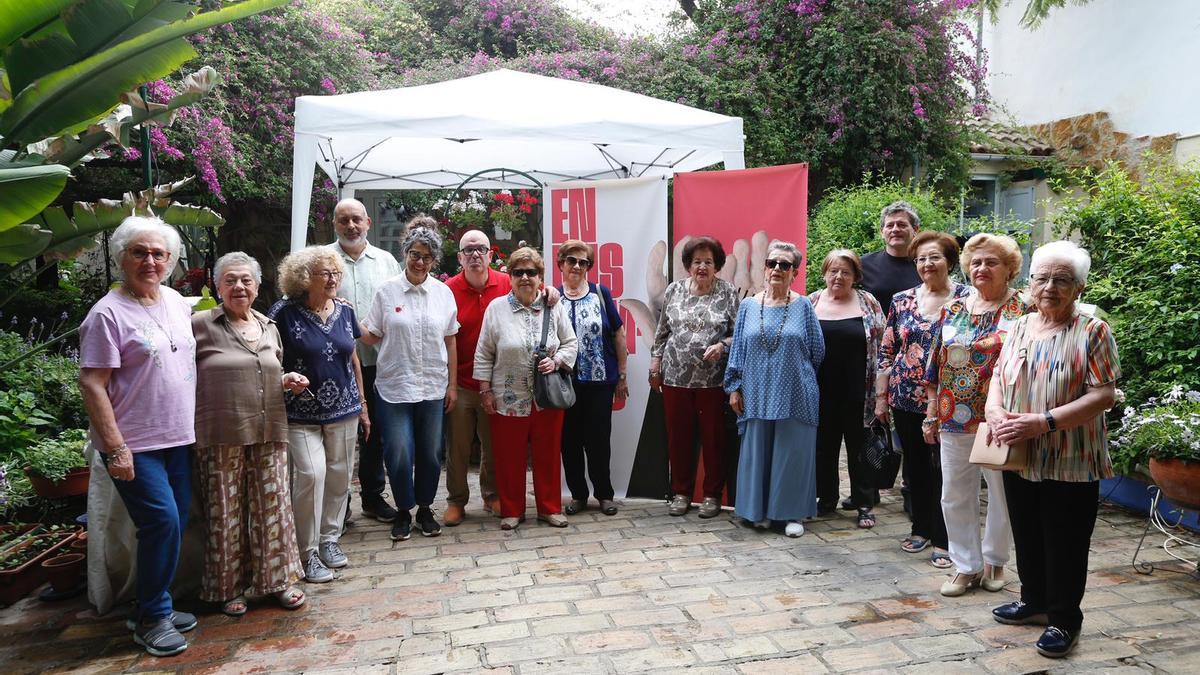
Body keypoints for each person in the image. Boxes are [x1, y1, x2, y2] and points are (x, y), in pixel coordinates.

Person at [985, 241, 1119, 659]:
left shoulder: (1093, 331)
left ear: (1078, 288)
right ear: (1029, 284)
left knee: (1065, 540)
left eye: (1061, 280)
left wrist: (1043, 421)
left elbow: (1104, 395)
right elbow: (998, 378)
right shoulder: (1020, 326)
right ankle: (1034, 601)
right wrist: (992, 411)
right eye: (1042, 278)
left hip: (1071, 455)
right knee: (1026, 531)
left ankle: (1064, 619)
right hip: (1019, 453)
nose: (1049, 287)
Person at [79, 216, 197, 657]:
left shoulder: (176, 302)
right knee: (161, 521)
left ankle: (154, 604)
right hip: (136, 443)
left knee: (174, 524)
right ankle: (151, 616)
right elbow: (92, 383)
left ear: (171, 260)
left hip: (179, 437)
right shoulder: (106, 314)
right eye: (139, 252)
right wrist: (115, 448)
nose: (150, 260)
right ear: (121, 257)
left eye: (159, 253)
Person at [191, 252, 306, 616]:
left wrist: (287, 379)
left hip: (269, 428)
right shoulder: (199, 325)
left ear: (257, 286)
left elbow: (273, 370)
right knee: (225, 511)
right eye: (230, 280)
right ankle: (229, 588)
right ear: (217, 285)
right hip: (220, 431)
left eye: (246, 280)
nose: (238, 286)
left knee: (273, 507)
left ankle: (277, 581)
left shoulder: (268, 325)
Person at [924, 233, 1029, 597]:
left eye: (991, 262)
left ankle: (996, 560)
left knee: (1001, 493)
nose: (982, 268)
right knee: (954, 492)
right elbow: (936, 361)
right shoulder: (954, 307)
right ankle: (964, 565)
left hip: (1001, 417)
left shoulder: (1024, 308)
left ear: (1009, 268)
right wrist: (931, 410)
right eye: (977, 262)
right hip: (953, 414)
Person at [269, 247, 369, 584]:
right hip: (301, 412)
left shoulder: (344, 311)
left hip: (344, 408)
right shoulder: (282, 313)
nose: (332, 279)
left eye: (335, 273)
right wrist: (284, 380)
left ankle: (329, 539)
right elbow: (271, 359)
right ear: (303, 277)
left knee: (340, 476)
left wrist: (363, 403)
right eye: (324, 273)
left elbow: (352, 359)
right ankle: (306, 551)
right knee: (312, 475)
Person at [876, 231, 969, 568]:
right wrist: (881, 398)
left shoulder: (967, 299)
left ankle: (946, 538)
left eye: (935, 257)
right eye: (921, 259)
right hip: (905, 396)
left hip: (953, 399)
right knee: (915, 467)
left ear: (950, 261)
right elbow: (886, 351)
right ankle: (921, 527)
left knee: (947, 469)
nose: (927, 264)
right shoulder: (902, 300)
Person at [361, 226, 459, 541]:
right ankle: (404, 509)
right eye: (415, 255)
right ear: (406, 253)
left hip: (432, 386)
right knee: (399, 451)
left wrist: (453, 385)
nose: (419, 262)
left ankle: (426, 508)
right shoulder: (386, 291)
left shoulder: (443, 293)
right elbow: (373, 334)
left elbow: (451, 341)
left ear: (434, 261)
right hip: (394, 388)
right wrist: (342, 316)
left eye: (427, 257)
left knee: (431, 453)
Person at [725, 241, 824, 537]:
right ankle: (759, 512)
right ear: (764, 268)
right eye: (772, 263)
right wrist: (734, 387)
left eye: (785, 265)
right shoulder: (748, 306)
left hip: (795, 391)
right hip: (755, 391)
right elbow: (738, 350)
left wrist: (795, 375)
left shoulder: (804, 305)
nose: (777, 269)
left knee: (792, 452)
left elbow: (817, 350)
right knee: (758, 452)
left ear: (794, 272)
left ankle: (791, 514)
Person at [474, 247, 578, 530]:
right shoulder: (496, 309)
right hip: (508, 397)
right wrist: (485, 391)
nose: (524, 277)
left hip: (547, 397)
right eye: (518, 272)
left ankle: (549, 508)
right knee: (509, 456)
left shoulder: (552, 305)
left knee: (548, 454)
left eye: (531, 272)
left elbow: (571, 343)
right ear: (509, 276)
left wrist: (557, 361)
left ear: (540, 276)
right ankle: (512, 510)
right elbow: (484, 353)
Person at [650, 236, 739, 518]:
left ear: (717, 266)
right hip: (675, 379)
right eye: (697, 261)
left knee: (714, 440)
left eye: (708, 262)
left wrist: (723, 346)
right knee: (679, 439)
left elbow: (739, 334)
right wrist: (655, 363)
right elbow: (662, 331)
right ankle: (681, 493)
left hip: (712, 382)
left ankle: (712, 495)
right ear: (688, 265)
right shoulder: (674, 290)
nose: (702, 267)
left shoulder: (727, 292)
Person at [325, 198, 401, 523]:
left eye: (357, 219)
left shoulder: (387, 262)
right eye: (344, 221)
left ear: (368, 221)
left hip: (380, 361)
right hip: (335, 364)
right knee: (339, 436)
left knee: (376, 434)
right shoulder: (323, 261)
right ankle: (338, 506)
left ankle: (372, 496)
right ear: (335, 224)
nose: (351, 226)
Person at [808, 250, 886, 527]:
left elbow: (883, 349)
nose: (838, 276)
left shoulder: (868, 302)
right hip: (820, 391)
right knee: (823, 449)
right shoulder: (811, 302)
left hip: (859, 391)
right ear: (825, 273)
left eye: (846, 272)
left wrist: (881, 394)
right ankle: (826, 499)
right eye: (833, 271)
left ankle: (864, 503)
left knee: (860, 449)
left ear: (855, 276)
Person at [556, 239, 629, 516]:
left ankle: (604, 494)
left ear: (588, 266)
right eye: (571, 260)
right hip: (563, 384)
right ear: (561, 263)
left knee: (599, 441)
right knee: (569, 441)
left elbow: (618, 335)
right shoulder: (552, 297)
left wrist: (622, 375)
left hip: (599, 383)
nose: (577, 266)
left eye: (583, 262)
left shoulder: (601, 293)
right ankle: (577, 495)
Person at [861, 201, 922, 312]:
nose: (895, 229)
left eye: (902, 225)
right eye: (890, 225)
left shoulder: (925, 265)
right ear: (882, 232)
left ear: (916, 230)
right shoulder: (863, 265)